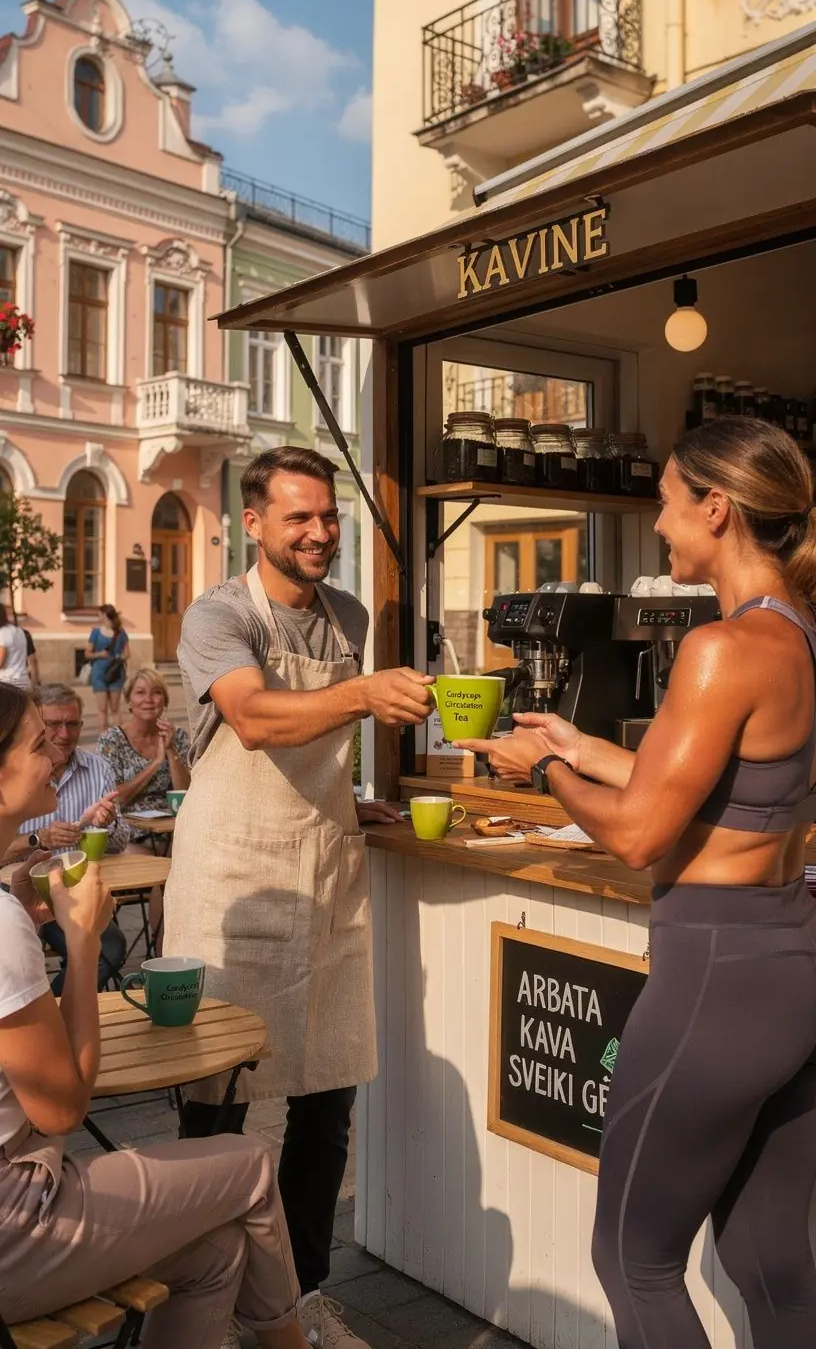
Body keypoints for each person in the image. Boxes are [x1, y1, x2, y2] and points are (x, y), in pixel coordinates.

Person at [458, 417, 816, 1349]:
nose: (657, 524)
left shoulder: (721, 648)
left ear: (717, 507)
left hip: (714, 974)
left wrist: (542, 773)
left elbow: (642, 834)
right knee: (772, 1267)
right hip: (791, 964)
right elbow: (734, 800)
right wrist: (581, 748)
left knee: (635, 1260)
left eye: (665, 502)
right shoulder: (800, 637)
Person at [163, 446, 433, 1349]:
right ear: (253, 523)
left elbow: (315, 745)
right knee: (217, 1101)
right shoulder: (216, 615)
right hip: (233, 879)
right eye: (299, 519)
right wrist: (362, 692)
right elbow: (252, 716)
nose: (320, 534)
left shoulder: (346, 613)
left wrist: (345, 795)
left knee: (326, 1097)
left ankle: (303, 1295)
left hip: (322, 872)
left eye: (330, 518)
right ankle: (206, 1296)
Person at [0, 683, 311, 1349]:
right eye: (35, 746)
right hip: (18, 1229)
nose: (55, 757)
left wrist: (28, 917)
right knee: (251, 1163)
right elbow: (59, 1111)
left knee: (219, 1249)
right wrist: (81, 950)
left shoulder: (6, 909)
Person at [6, 682, 128, 994]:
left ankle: (49, 1001)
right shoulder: (6, 919)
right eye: (48, 731)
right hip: (19, 890)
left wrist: (105, 824)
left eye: (72, 724)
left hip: (65, 896)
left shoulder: (96, 767)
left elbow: (119, 842)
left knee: (109, 949)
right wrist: (39, 838)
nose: (62, 736)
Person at [97, 668, 190, 844]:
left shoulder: (177, 736)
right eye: (140, 693)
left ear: (165, 701)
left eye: (156, 693)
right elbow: (115, 799)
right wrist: (155, 764)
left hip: (172, 828)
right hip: (129, 831)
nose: (148, 700)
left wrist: (171, 751)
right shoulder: (111, 740)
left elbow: (187, 795)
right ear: (129, 701)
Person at [85, 604, 129, 733]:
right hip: (101, 675)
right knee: (105, 710)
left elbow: (127, 654)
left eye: (99, 614)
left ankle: (119, 740)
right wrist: (101, 654)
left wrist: (117, 658)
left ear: (104, 615)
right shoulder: (96, 632)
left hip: (114, 673)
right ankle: (103, 741)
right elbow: (87, 653)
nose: (97, 616)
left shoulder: (120, 633)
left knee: (112, 709)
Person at [0, 605, 30, 689]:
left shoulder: (2, 633)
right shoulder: (18, 630)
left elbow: (0, 662)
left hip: (8, 683)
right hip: (23, 680)